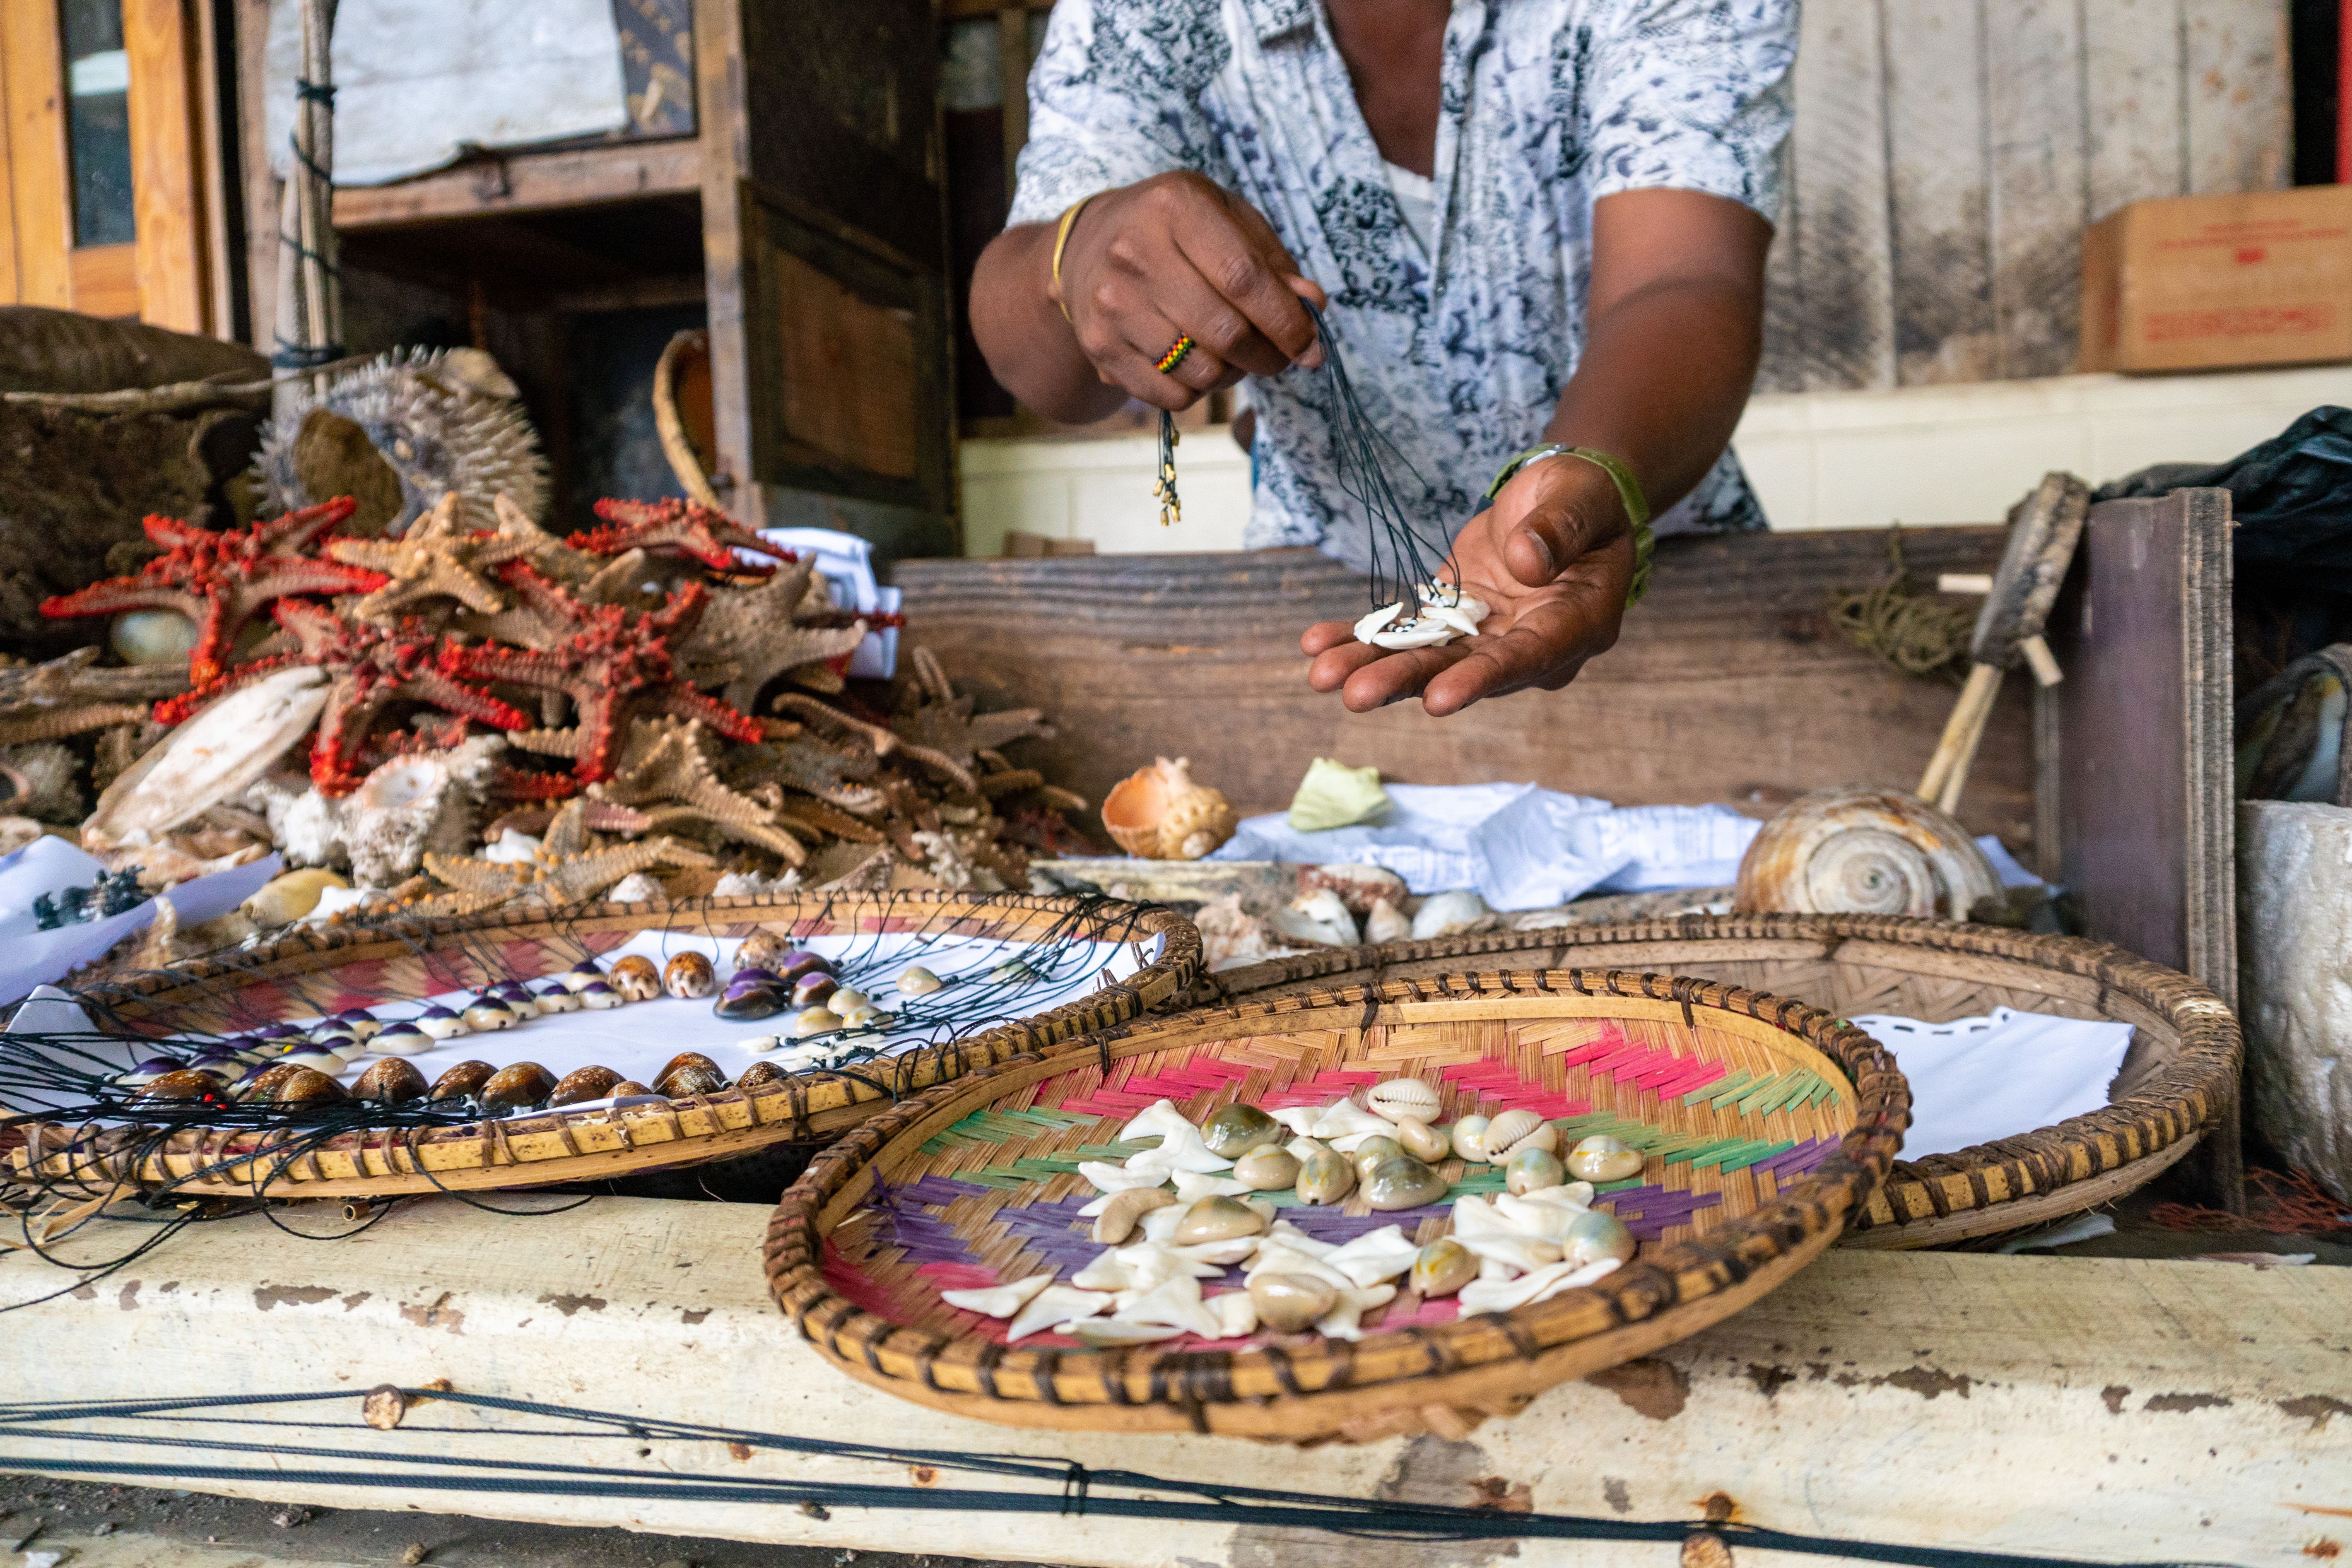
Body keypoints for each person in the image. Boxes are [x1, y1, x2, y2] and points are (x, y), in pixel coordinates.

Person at [969, 0, 1794, 718]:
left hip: (1666, 569)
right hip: (1318, 594)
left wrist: (1586, 479)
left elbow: (1685, 279)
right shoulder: (1154, 16)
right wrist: (1074, 260)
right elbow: (1035, 363)